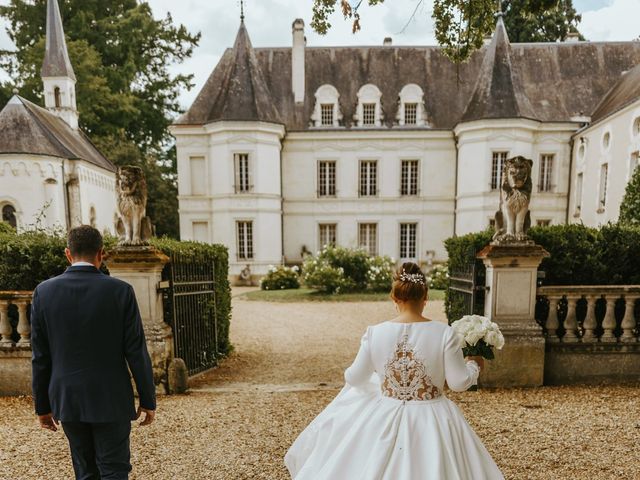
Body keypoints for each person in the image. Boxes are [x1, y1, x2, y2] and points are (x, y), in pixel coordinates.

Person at [285, 262, 503, 479]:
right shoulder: (444, 333)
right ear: (425, 297)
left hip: (384, 413)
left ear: (394, 298)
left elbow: (355, 377)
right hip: (433, 416)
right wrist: (474, 365)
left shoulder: (375, 333)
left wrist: (379, 378)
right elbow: (458, 383)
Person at [31, 225, 156, 480]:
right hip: (111, 396)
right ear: (101, 253)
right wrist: (147, 398)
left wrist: (42, 406)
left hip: (68, 398)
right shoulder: (120, 291)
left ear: (68, 254)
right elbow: (135, 350)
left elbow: (40, 357)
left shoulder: (43, 293)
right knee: (115, 469)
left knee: (85, 470)